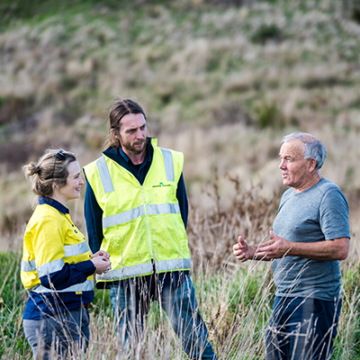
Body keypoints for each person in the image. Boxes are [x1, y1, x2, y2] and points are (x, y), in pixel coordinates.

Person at [83, 98, 217, 359]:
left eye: (143, 127)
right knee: (131, 352)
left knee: (197, 345)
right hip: (124, 275)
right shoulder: (98, 173)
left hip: (171, 269)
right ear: (115, 134)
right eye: (131, 131)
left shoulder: (170, 161)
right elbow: (94, 230)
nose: (140, 135)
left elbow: (181, 213)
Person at [233, 132, 350, 360]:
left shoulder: (328, 194)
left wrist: (290, 248)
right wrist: (252, 251)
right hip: (282, 298)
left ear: (310, 164)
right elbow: (282, 247)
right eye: (280, 158)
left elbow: (340, 248)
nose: (280, 166)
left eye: (288, 159)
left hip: (315, 301)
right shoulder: (288, 196)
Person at [21, 149, 111, 359]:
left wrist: (90, 260)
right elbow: (52, 277)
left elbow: (61, 264)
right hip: (52, 319)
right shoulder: (49, 220)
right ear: (56, 184)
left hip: (62, 316)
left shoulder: (57, 216)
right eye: (76, 177)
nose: (81, 182)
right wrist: (91, 266)